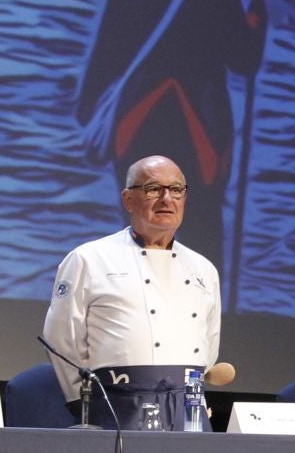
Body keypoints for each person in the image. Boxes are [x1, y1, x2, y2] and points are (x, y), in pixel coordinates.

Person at [75, 0, 267, 262]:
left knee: (137, 235)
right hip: (202, 134)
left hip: (136, 123)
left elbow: (106, 51)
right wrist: (256, 20)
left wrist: (88, 105)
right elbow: (244, 60)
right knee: (201, 240)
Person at [41, 155, 221, 429]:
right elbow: (62, 341)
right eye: (152, 189)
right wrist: (85, 403)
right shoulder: (89, 259)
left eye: (176, 190)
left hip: (189, 408)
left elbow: (209, 342)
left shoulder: (203, 268)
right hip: (117, 406)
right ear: (127, 199)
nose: (166, 199)